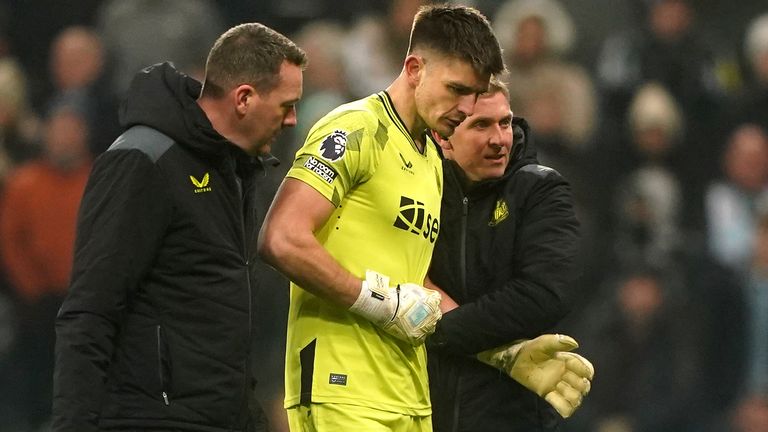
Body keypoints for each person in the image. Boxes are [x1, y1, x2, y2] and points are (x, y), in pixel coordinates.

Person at [258, 4, 505, 430]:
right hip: (343, 387)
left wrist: (504, 352)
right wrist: (380, 303)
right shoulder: (355, 128)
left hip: (408, 395)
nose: (466, 108)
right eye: (456, 89)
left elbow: (415, 288)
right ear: (414, 68)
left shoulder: (430, 156)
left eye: (475, 94)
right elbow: (282, 238)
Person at [52, 23, 306, 432]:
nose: (293, 120)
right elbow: (90, 310)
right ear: (244, 99)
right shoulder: (143, 160)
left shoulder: (238, 171)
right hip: (150, 419)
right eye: (286, 105)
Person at [426, 79, 590, 431]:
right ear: (443, 137)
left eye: (505, 122)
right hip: (422, 410)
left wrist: (438, 330)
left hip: (511, 417)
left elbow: (543, 295)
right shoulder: (419, 190)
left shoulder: (540, 189)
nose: (500, 138)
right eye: (481, 125)